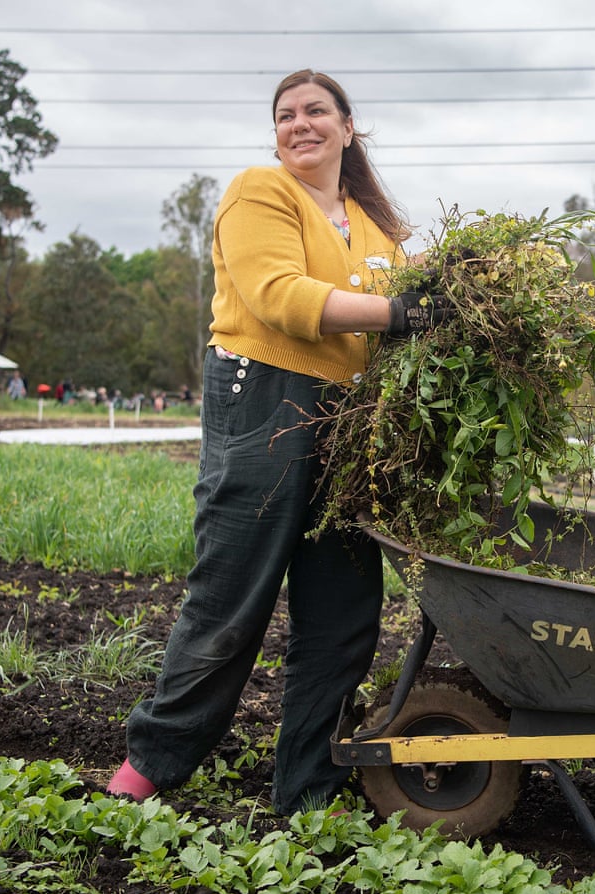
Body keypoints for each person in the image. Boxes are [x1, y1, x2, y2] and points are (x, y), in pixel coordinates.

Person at [107, 69, 447, 815]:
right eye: (285, 114)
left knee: (342, 611)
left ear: (348, 128)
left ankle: (308, 788)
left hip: (350, 421)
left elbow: (413, 317)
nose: (300, 123)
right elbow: (280, 297)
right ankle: (151, 764)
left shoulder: (381, 228)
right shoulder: (259, 191)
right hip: (264, 395)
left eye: (316, 111)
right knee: (234, 594)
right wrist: (403, 314)